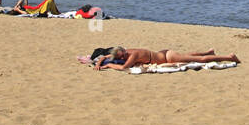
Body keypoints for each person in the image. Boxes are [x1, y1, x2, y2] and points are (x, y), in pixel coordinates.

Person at [93, 47, 239, 71]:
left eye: (123, 56)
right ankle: (209, 51)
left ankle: (229, 57)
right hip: (164, 55)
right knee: (188, 56)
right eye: (121, 57)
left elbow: (124, 67)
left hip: (167, 57)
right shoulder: (126, 51)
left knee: (200, 61)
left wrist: (108, 66)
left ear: (124, 52)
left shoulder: (133, 55)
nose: (123, 58)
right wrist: (100, 62)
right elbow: (105, 56)